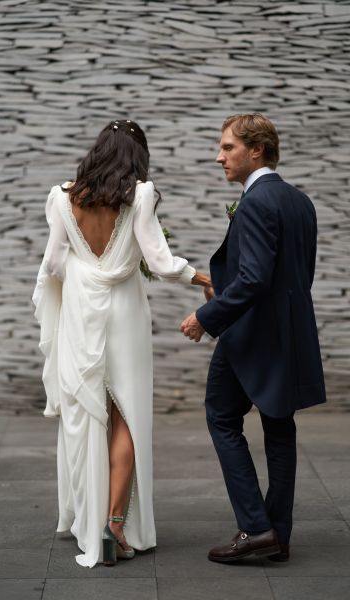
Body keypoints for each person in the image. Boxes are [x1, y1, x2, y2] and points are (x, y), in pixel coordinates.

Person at [32, 119, 210, 568]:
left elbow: (53, 263)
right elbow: (159, 260)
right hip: (125, 313)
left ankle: (89, 524)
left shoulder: (62, 198)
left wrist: (81, 270)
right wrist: (200, 276)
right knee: (127, 415)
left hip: (79, 310)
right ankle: (115, 522)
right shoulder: (142, 195)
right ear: (137, 156)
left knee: (87, 412)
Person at [180, 113, 326, 563]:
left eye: (227, 148)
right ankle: (276, 536)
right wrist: (224, 288)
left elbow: (256, 279)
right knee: (279, 428)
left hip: (251, 336)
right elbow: (292, 275)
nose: (218, 156)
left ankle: (256, 527)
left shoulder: (258, 201)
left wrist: (208, 315)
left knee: (221, 416)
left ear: (256, 149)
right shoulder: (299, 201)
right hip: (288, 334)